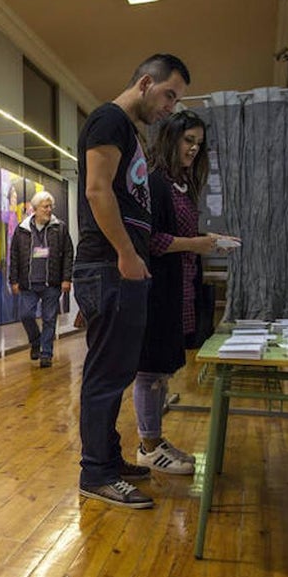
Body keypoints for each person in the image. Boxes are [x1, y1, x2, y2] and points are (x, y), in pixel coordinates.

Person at [73, 53, 191, 509]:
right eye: (168, 95)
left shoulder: (128, 132)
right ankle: (95, 473)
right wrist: (125, 253)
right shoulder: (109, 119)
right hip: (109, 264)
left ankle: (107, 459)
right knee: (106, 374)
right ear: (145, 82)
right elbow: (97, 190)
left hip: (118, 266)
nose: (171, 108)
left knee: (116, 372)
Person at [133, 111, 234, 473]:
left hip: (180, 287)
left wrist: (206, 245)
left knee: (163, 371)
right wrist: (200, 242)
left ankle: (154, 439)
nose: (193, 148)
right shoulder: (156, 183)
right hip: (158, 289)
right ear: (171, 138)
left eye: (198, 144)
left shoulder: (183, 185)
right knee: (149, 369)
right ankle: (147, 445)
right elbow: (153, 240)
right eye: (188, 140)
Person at [9, 191, 73, 368]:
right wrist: (13, 280)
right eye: (45, 207)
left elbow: (68, 253)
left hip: (51, 282)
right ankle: (36, 342)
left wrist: (66, 278)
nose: (49, 210)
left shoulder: (59, 227)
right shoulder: (22, 229)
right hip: (28, 283)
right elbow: (14, 256)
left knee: (49, 318)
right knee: (26, 315)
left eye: (50, 206)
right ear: (35, 209)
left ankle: (46, 353)